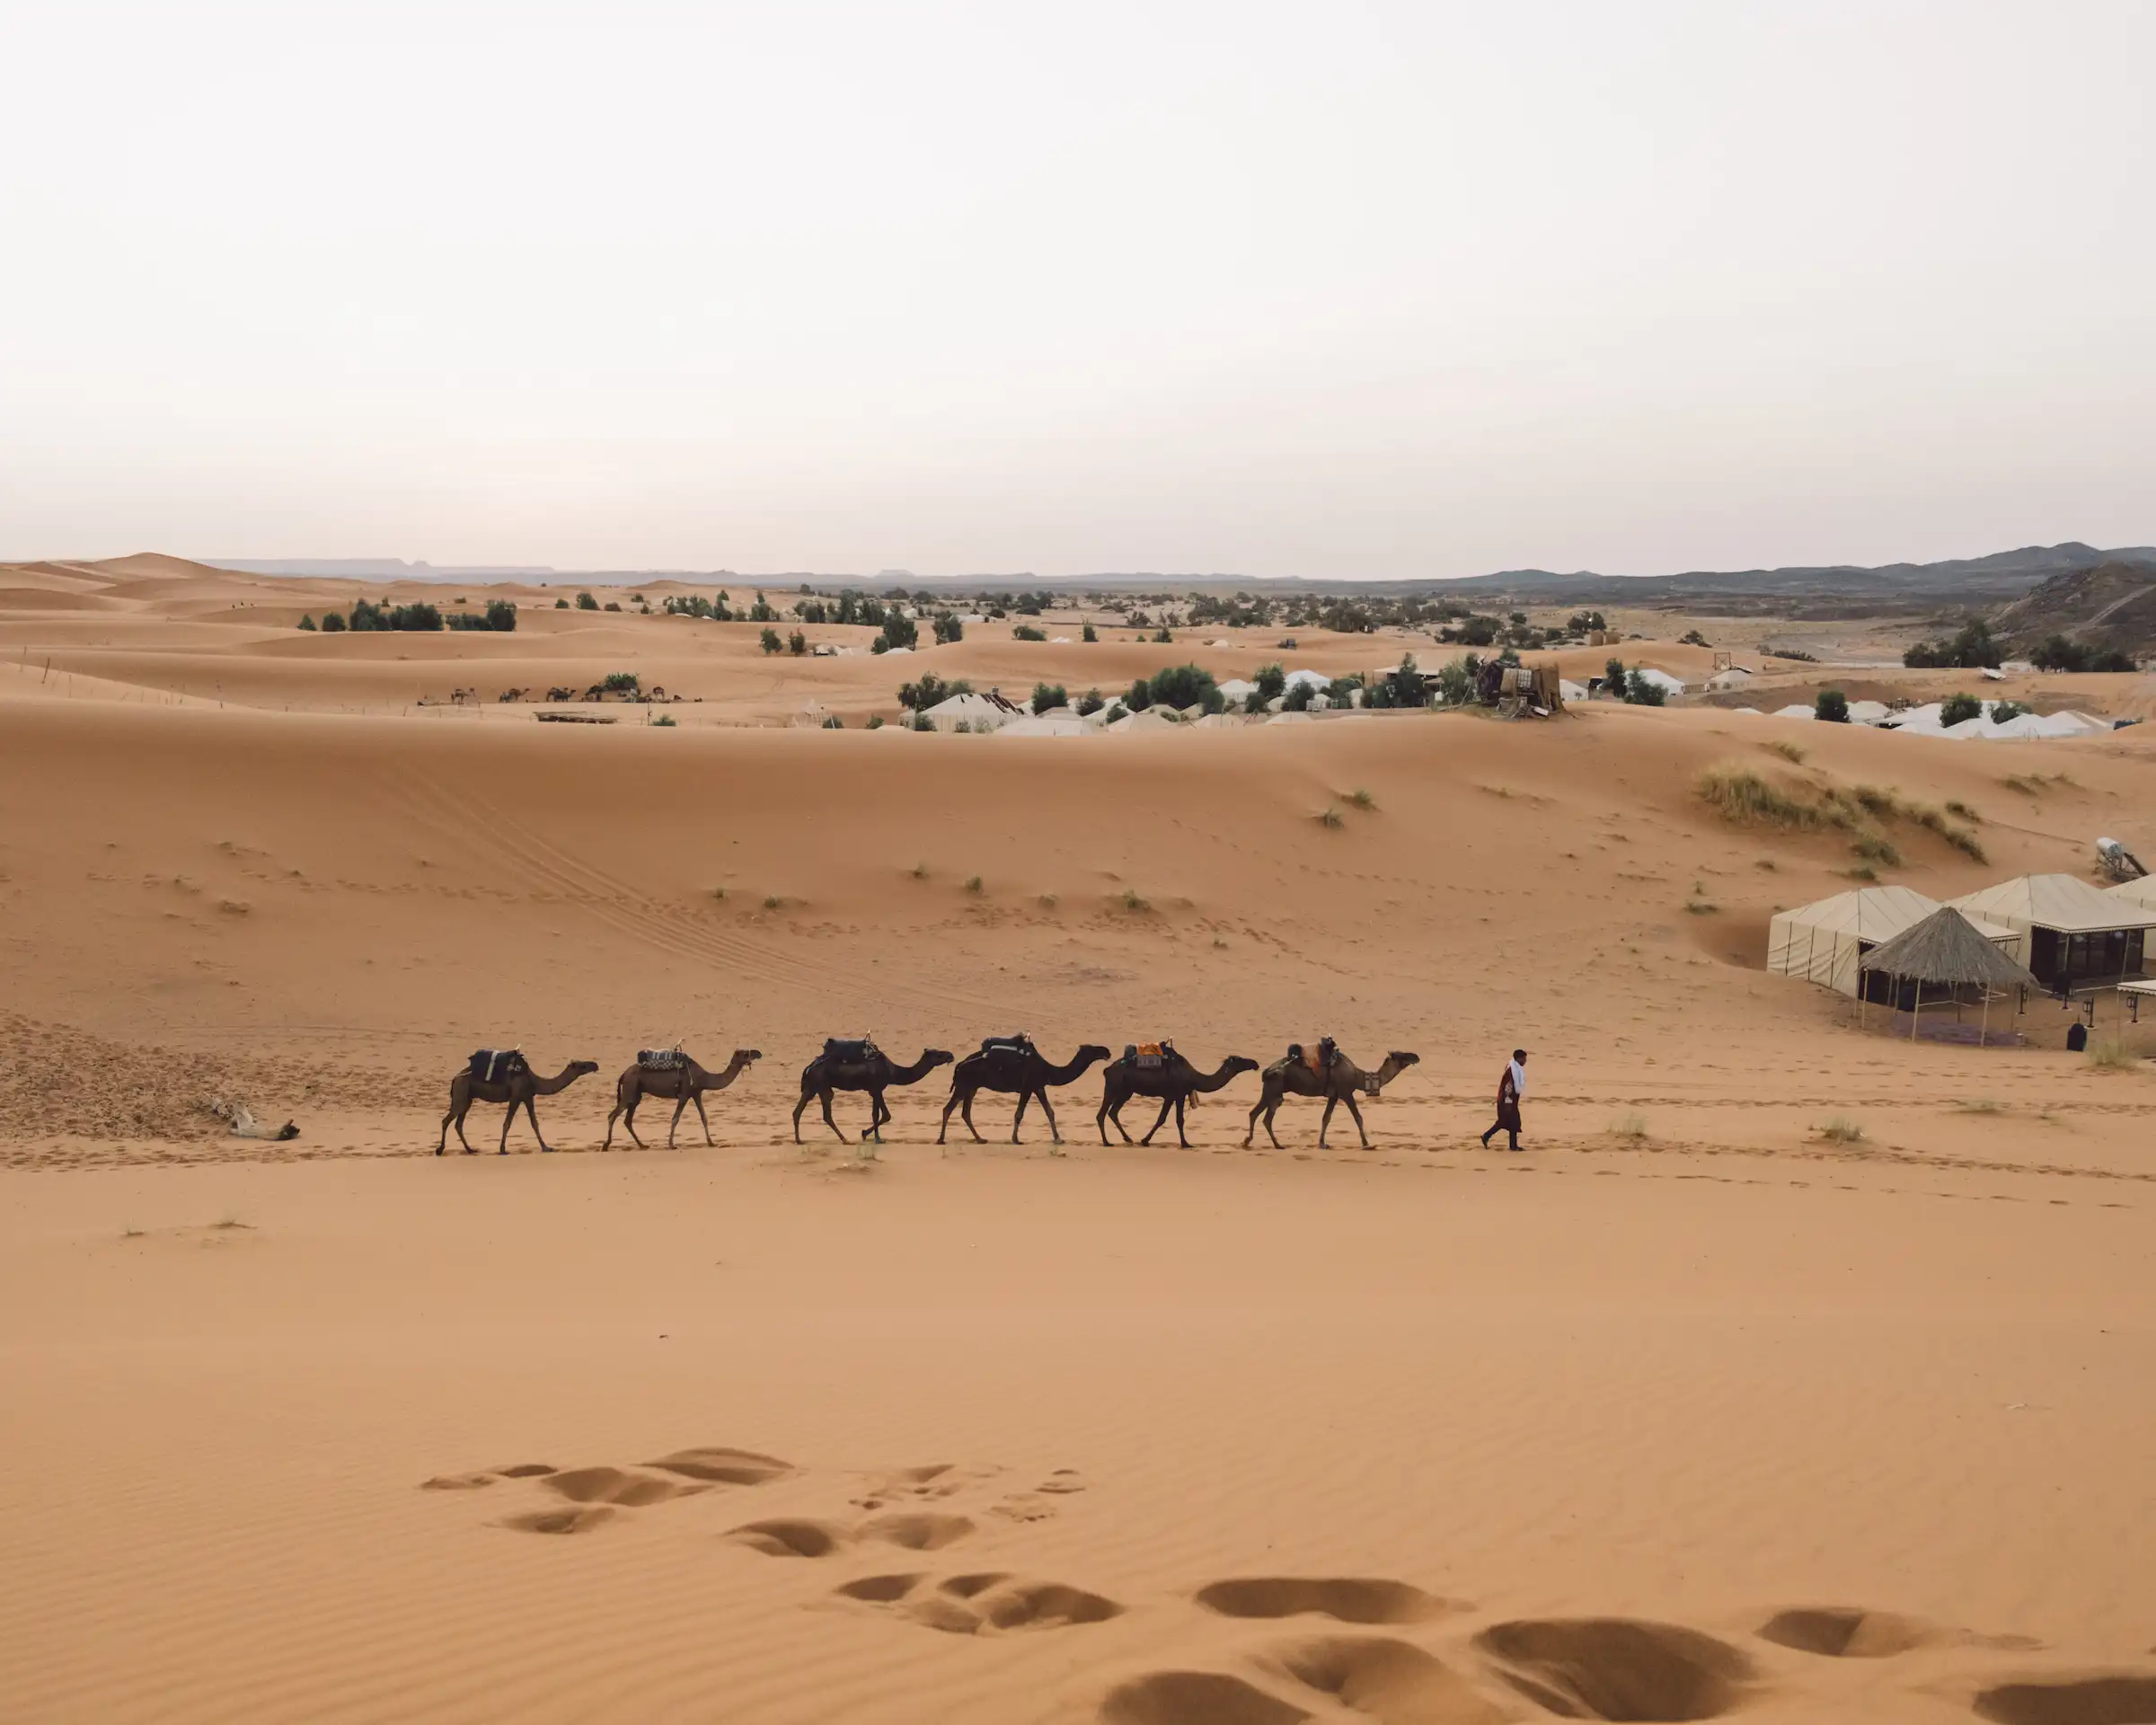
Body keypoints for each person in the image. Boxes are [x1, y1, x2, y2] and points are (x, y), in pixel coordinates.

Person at [1480, 1048, 1527, 1151]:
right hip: (1507, 1101)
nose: (1525, 1061)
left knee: (1513, 1123)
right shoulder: (1512, 1071)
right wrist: (1508, 1104)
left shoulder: (1515, 1069)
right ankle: (1486, 1136)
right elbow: (1508, 1088)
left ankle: (1513, 1145)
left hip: (1510, 1101)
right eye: (1524, 1059)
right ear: (1519, 1059)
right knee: (1503, 1122)